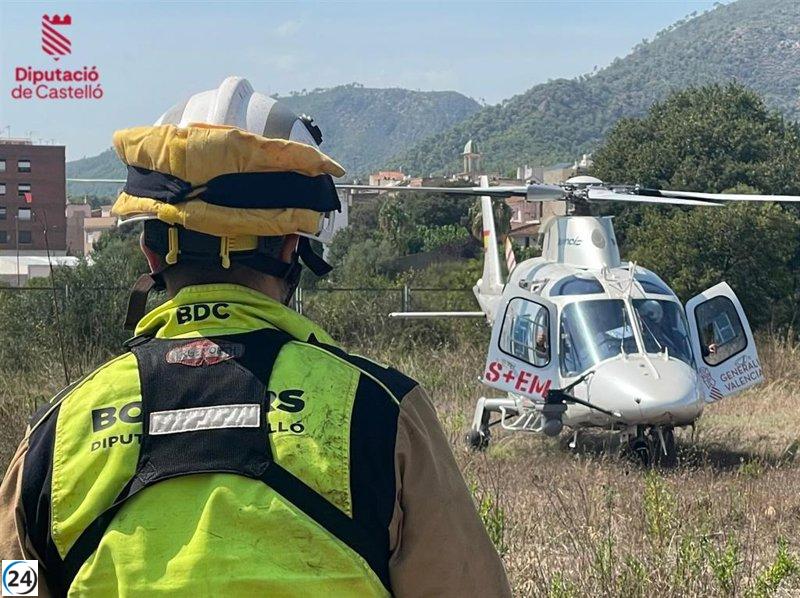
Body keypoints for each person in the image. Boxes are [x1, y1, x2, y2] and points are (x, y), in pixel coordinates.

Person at [0, 77, 511, 597]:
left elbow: (13, 585)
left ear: (151, 254)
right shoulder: (383, 412)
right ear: (292, 248)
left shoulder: (55, 436)